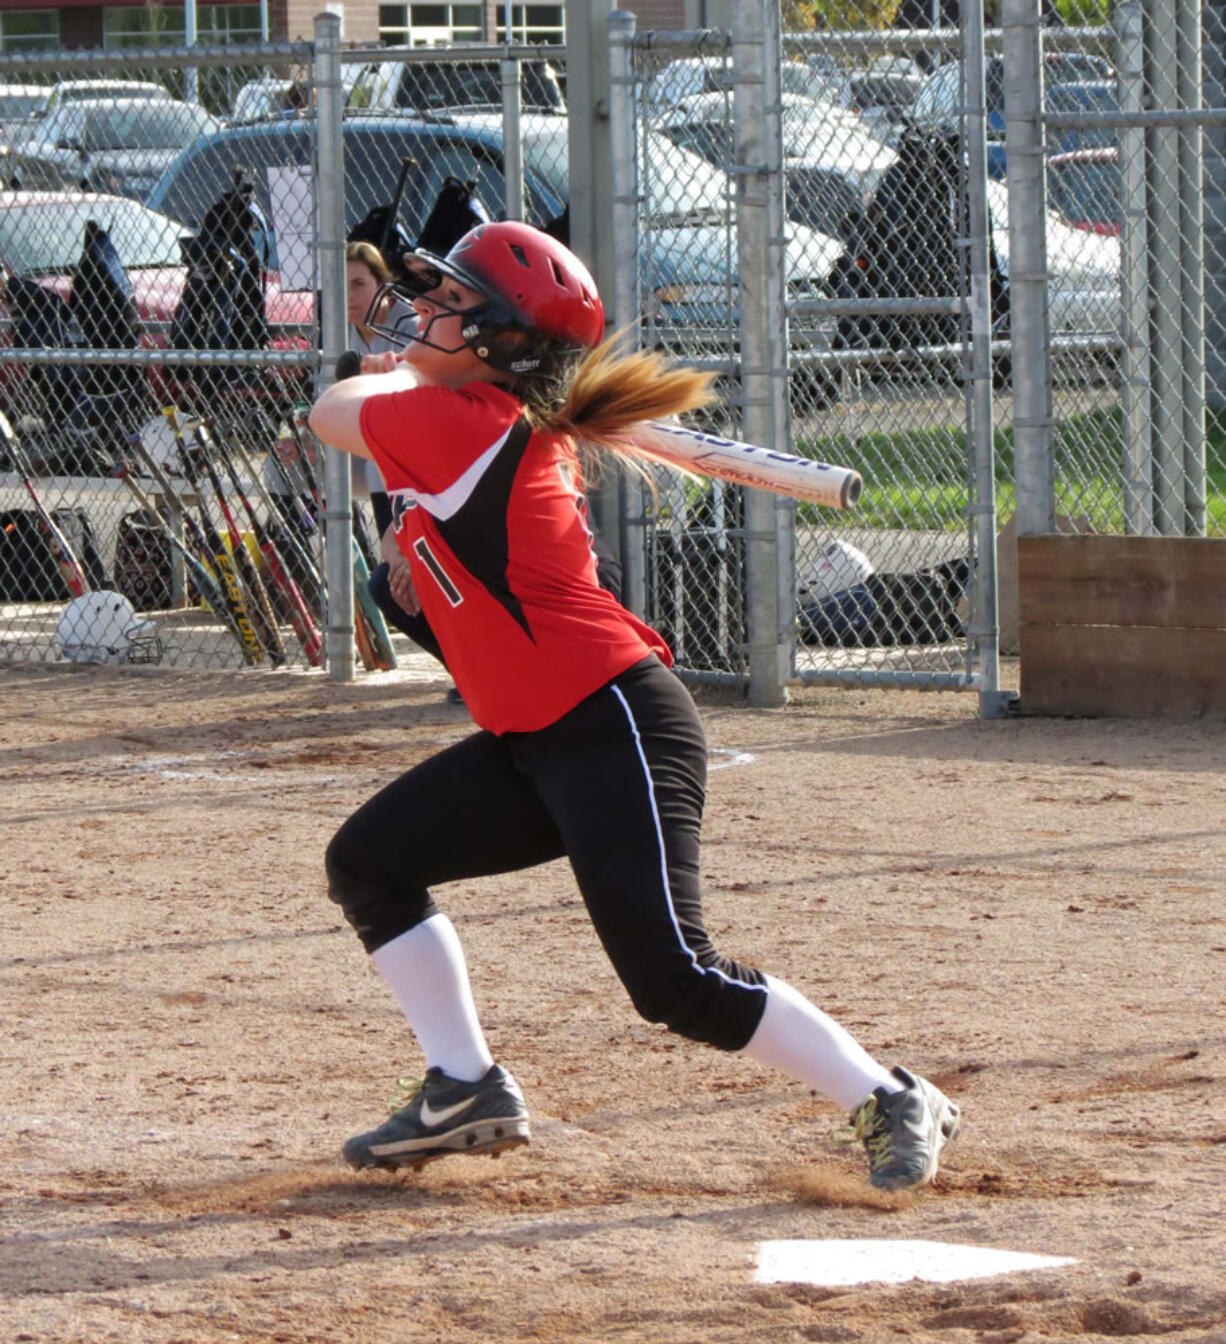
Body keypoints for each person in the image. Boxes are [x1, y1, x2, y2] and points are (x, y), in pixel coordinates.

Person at [309, 220, 960, 1191]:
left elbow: (332, 406)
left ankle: (890, 1095)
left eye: (451, 306)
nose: (424, 313)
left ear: (503, 346)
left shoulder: (460, 424)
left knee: (672, 981)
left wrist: (402, 369)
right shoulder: (483, 424)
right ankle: (462, 1085)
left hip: (611, 724)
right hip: (533, 738)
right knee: (369, 862)